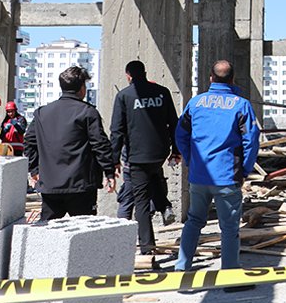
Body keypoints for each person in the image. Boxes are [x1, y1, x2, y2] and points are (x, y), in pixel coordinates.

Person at [175, 60, 260, 285]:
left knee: (193, 221)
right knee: (229, 228)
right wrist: (245, 170)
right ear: (232, 80)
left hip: (198, 175)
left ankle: (181, 269)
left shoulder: (195, 103)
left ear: (210, 78)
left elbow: (180, 135)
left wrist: (191, 160)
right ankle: (230, 277)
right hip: (227, 176)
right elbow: (251, 141)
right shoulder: (241, 105)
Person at [25, 66, 116, 220]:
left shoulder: (42, 113)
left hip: (50, 185)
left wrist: (34, 170)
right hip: (81, 186)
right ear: (82, 88)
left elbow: (29, 141)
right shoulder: (87, 112)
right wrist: (109, 172)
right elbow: (100, 144)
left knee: (46, 234)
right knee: (83, 233)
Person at [111, 60, 180, 255]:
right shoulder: (162, 92)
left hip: (137, 157)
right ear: (145, 72)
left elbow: (116, 131)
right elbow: (173, 124)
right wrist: (176, 151)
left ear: (128, 76)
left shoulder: (124, 95)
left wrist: (113, 161)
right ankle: (164, 205)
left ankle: (147, 248)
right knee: (154, 178)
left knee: (140, 203)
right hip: (158, 153)